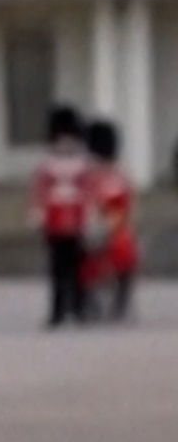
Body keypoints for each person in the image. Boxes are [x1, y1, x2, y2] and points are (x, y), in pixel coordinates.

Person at [32, 105, 93, 327]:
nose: (65, 144)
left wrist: (89, 219)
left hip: (76, 221)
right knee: (57, 269)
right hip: (55, 222)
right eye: (61, 139)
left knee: (78, 269)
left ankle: (79, 308)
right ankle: (57, 311)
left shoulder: (83, 164)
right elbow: (40, 193)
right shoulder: (47, 165)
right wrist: (38, 216)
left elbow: (88, 194)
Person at [83, 119, 138, 322]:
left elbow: (121, 210)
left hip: (115, 230)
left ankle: (121, 300)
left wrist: (107, 229)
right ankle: (86, 300)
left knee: (125, 251)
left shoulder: (117, 176)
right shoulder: (88, 176)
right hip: (90, 229)